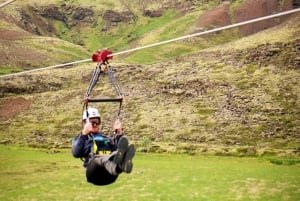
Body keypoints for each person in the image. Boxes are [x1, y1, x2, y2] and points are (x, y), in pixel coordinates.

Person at [72, 107, 135, 186]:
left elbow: (118, 150)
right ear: (85, 122)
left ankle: (120, 166)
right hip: (94, 173)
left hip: (110, 175)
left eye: (97, 122)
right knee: (99, 158)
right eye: (92, 122)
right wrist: (84, 133)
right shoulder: (82, 139)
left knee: (117, 154)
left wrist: (119, 133)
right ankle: (117, 164)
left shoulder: (107, 139)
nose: (95, 124)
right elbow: (76, 153)